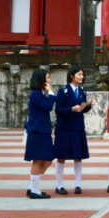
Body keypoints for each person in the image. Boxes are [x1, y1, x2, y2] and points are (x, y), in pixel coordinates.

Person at [53, 65, 92, 195]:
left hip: (77, 127)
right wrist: (70, 109)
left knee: (78, 156)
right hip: (64, 128)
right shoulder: (62, 90)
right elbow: (58, 109)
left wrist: (87, 106)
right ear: (72, 76)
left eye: (82, 74)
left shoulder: (82, 90)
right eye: (79, 74)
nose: (82, 77)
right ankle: (59, 185)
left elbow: (82, 108)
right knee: (61, 156)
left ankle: (78, 184)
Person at [24, 68, 56, 200]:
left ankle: (32, 186)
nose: (49, 80)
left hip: (42, 130)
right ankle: (34, 190)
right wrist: (51, 92)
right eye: (47, 78)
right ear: (41, 79)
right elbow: (47, 107)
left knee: (47, 159)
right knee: (38, 160)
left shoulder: (40, 93)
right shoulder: (36, 94)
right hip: (38, 130)